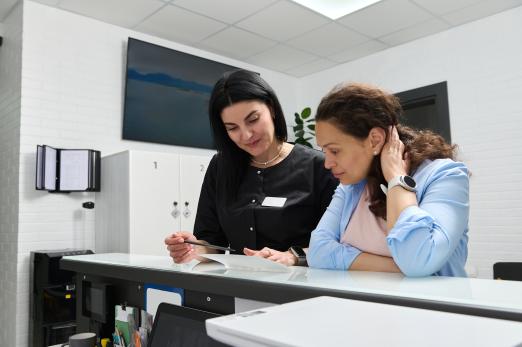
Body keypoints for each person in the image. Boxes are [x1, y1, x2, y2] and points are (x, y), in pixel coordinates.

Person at [165, 70, 338, 266]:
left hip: (303, 286)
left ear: (271, 108)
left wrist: (293, 256)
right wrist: (194, 248)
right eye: (232, 128)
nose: (246, 135)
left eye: (253, 119)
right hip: (240, 285)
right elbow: (213, 242)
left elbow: (337, 245)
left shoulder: (320, 166)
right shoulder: (220, 167)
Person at [307, 83, 469, 277]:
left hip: (430, 306)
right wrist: (399, 269)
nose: (327, 163)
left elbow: (419, 261)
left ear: (374, 140)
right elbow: (318, 252)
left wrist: (397, 179)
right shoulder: (350, 187)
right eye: (324, 151)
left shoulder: (445, 175)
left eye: (334, 151)